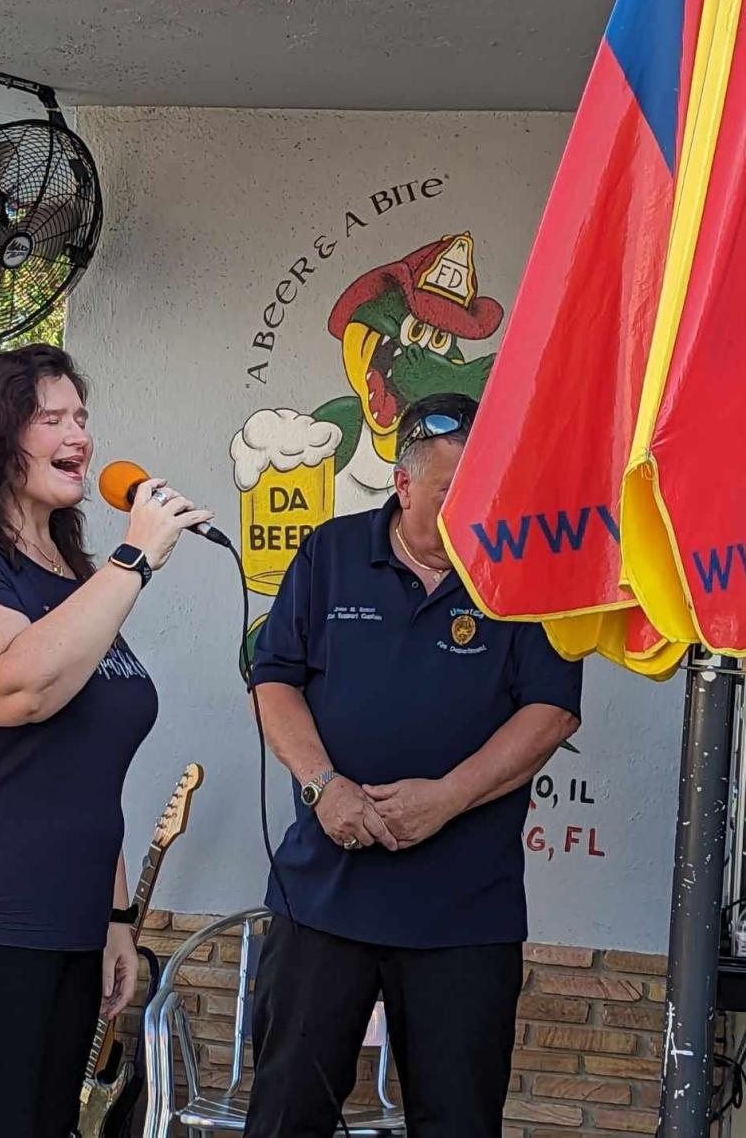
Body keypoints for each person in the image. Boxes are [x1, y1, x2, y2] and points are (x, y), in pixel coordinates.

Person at [0, 343, 210, 1138]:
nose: (79, 436)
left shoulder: (74, 573)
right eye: (51, 418)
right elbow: (14, 688)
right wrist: (136, 558)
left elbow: (86, 764)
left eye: (83, 418)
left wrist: (116, 914)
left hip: (67, 930)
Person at [244, 392, 583, 1138]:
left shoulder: (524, 569)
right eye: (450, 493)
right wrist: (322, 785)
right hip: (327, 892)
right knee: (286, 1113)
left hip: (465, 908)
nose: (472, 511)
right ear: (402, 485)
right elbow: (275, 680)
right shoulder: (329, 554)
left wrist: (448, 797)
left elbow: (552, 709)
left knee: (459, 1120)